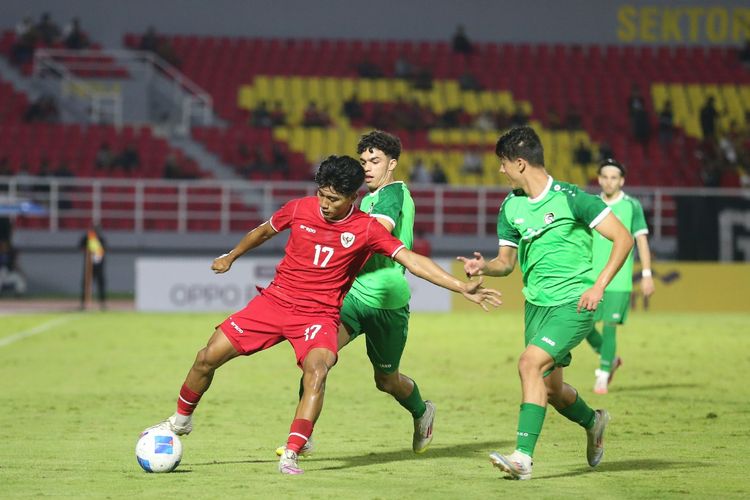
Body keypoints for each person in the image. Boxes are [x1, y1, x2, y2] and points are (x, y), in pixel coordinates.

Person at [144, 155, 502, 475]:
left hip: (318, 316)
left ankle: (293, 452)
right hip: (275, 302)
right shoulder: (300, 208)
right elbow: (264, 230)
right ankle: (180, 421)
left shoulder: (365, 229)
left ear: (352, 198)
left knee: (318, 371)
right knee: (207, 357)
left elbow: (412, 260)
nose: (325, 204)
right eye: (322, 195)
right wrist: (231, 255)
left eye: (334, 199)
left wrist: (460, 287)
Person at [458, 126, 633, 480]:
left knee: (528, 364)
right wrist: (484, 268)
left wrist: (598, 286)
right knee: (551, 390)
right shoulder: (511, 206)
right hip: (536, 307)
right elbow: (506, 264)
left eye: (503, 164)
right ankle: (593, 421)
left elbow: (623, 239)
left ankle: (522, 457)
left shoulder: (572, 198)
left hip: (575, 302)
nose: (500, 171)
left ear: (520, 163)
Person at [275, 131, 440, 459]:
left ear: (392, 164)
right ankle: (302, 436)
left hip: (388, 304)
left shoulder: (393, 194)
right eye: (363, 161)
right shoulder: (364, 200)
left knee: (387, 380)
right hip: (353, 299)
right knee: (315, 359)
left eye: (375, 161)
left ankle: (422, 411)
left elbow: (380, 231)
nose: (367, 167)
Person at [585, 158, 655, 394]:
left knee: (610, 326)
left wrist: (646, 274)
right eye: (604, 177)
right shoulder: (592, 204)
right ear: (599, 179)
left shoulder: (631, 205)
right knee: (583, 324)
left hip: (620, 278)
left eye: (614, 177)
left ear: (622, 180)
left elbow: (641, 240)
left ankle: (603, 375)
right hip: (591, 277)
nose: (609, 181)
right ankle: (612, 359)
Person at [79, 224, 107, 310]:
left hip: (99, 265)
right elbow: (81, 247)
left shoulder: (101, 240)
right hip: (89, 265)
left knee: (101, 283)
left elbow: (103, 251)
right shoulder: (87, 238)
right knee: (86, 284)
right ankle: (84, 303)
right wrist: (87, 250)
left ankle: (102, 303)